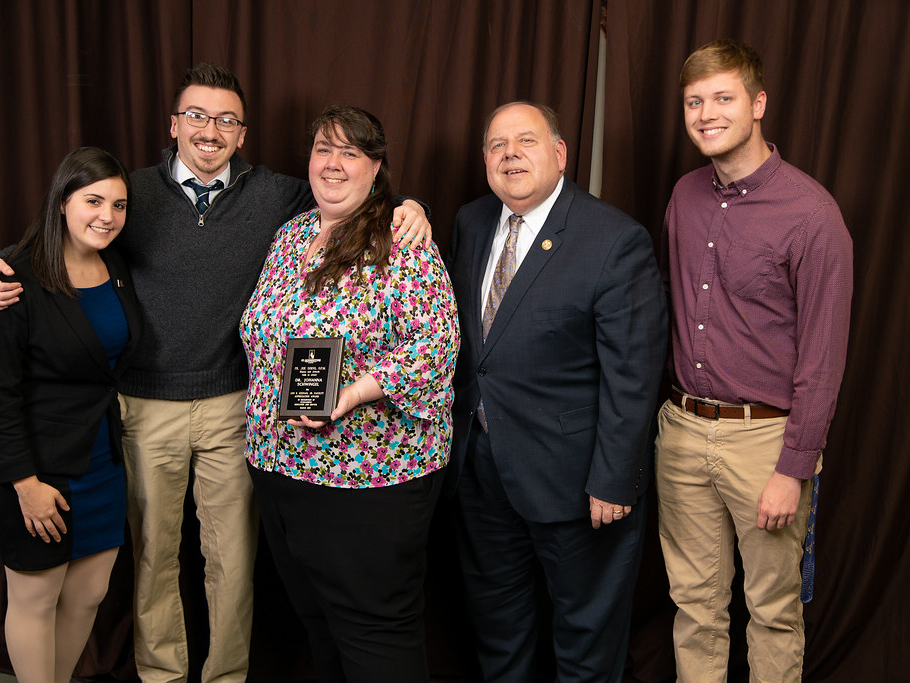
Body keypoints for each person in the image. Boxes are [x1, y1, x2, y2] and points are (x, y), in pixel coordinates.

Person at [0, 64, 431, 683]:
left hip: (234, 407)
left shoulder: (279, 194)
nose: (209, 130)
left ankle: (224, 678)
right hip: (143, 407)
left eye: (225, 119)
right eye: (196, 115)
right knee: (154, 561)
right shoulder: (129, 194)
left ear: (242, 133)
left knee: (233, 563)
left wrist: (411, 207)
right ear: (174, 123)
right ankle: (161, 676)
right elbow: (68, 234)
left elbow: (349, 190)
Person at [446, 102, 668, 683]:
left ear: (560, 153)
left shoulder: (615, 239)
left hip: (578, 484)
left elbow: (634, 375)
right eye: (497, 145)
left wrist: (615, 477)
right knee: (498, 631)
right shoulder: (469, 222)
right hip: (481, 471)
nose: (510, 154)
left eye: (526, 140)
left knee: (587, 643)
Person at [240, 104, 459, 683]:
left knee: (373, 636)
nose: (333, 164)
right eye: (323, 149)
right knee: (320, 624)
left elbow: (435, 349)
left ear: (377, 166)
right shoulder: (291, 235)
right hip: (279, 467)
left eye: (350, 152)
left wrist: (355, 391)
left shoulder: (402, 239)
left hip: (366, 480)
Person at [656, 39, 852, 682]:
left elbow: (822, 358)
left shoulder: (813, 214)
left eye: (722, 98)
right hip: (682, 432)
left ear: (758, 103)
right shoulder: (683, 197)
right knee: (694, 608)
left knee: (771, 611)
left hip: (766, 442)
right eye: (694, 102)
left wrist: (792, 469)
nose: (706, 113)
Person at [0, 147, 141, 683]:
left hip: (103, 457)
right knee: (36, 595)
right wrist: (24, 482)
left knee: (90, 593)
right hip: (39, 466)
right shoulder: (13, 277)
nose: (107, 216)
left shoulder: (116, 264)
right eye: (93, 201)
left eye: (118, 205)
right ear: (62, 202)